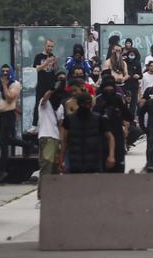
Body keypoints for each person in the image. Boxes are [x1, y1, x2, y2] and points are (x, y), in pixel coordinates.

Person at [59, 91, 115, 175]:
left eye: (88, 104)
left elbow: (110, 137)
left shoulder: (98, 119)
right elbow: (65, 141)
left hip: (93, 164)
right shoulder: (69, 119)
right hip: (75, 164)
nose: (86, 106)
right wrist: (61, 160)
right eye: (84, 104)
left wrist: (111, 156)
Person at [0, 64, 22, 183]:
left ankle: (1, 172)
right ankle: (2, 171)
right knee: (5, 142)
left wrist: (4, 84)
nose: (5, 74)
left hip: (9, 115)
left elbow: (9, 99)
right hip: (2, 115)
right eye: (3, 71)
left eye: (7, 71)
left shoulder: (15, 84)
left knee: (4, 141)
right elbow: (2, 102)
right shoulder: (3, 86)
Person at [36, 73, 66, 203]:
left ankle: (51, 194)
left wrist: (61, 141)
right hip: (46, 137)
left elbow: (60, 126)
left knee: (54, 168)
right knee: (46, 167)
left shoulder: (59, 107)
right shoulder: (45, 104)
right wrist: (53, 88)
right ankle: (42, 196)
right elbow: (45, 98)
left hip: (55, 138)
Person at [94, 76, 133, 174]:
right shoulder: (98, 100)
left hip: (117, 133)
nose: (109, 91)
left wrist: (120, 106)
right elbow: (95, 117)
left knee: (119, 165)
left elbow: (129, 117)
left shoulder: (118, 98)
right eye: (106, 88)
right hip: (102, 136)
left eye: (111, 88)